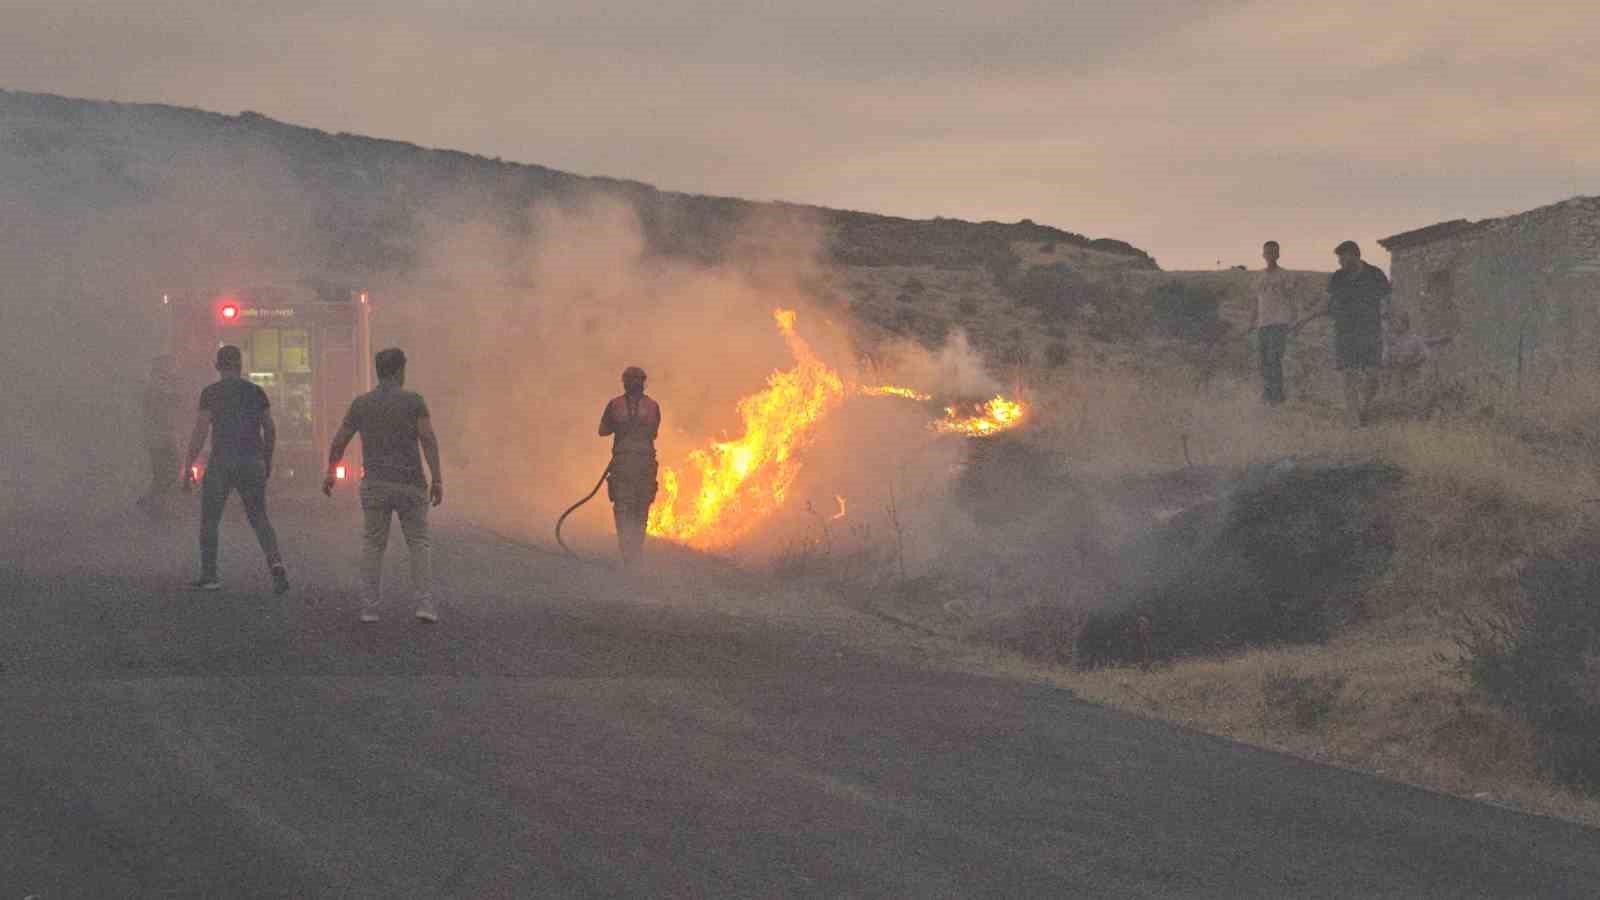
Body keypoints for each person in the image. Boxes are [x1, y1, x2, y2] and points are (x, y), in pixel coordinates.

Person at [324, 348, 443, 624]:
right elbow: (428, 439)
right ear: (400, 370)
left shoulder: (361, 404)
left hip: (376, 483)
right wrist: (437, 478)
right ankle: (424, 604)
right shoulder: (414, 402)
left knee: (374, 544)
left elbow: (340, 440)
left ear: (378, 371)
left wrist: (330, 472)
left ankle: (369, 608)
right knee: (419, 543)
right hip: (411, 484)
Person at [182, 345, 289, 593]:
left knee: (210, 520)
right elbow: (270, 429)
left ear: (217, 366)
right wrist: (267, 460)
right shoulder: (257, 393)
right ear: (240, 366)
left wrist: (189, 463)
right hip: (252, 461)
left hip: (222, 461)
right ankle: (276, 564)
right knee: (259, 518)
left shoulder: (210, 393)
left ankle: (210, 576)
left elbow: (201, 430)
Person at [1315, 240, 1391, 427]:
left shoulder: (1375, 274)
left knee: (1373, 375)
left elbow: (1387, 300)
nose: (1339, 261)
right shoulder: (1338, 277)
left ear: (1354, 254)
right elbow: (1326, 303)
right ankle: (1353, 418)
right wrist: (1304, 319)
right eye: (1338, 257)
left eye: (1342, 257)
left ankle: (1364, 408)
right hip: (1345, 332)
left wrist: (1388, 320)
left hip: (1370, 331)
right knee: (1349, 374)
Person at [598, 366, 661, 570]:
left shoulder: (615, 405)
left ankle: (628, 555)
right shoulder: (652, 406)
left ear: (624, 382)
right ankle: (635, 554)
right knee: (640, 509)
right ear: (644, 382)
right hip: (644, 463)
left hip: (624, 463)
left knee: (624, 508)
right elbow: (653, 433)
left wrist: (621, 426)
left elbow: (603, 431)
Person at [1250, 240, 1296, 405]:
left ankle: (1277, 396)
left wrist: (1293, 320)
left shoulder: (1285, 275)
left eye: (1273, 252)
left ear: (1278, 254)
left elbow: (1291, 299)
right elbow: (1256, 301)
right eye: (1267, 252)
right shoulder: (1259, 277)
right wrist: (1252, 320)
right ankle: (1268, 392)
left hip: (1280, 322)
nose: (1270, 255)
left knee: (1274, 358)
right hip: (1263, 323)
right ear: (1263, 255)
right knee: (1262, 360)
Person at [139, 354, 181, 510]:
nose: (173, 369)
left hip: (159, 435)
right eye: (170, 366)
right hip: (160, 436)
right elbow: (159, 408)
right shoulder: (156, 386)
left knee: (164, 471)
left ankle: (152, 500)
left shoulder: (159, 384)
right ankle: (153, 501)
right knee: (170, 469)